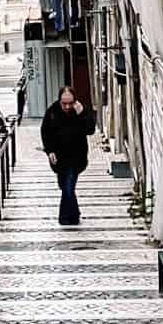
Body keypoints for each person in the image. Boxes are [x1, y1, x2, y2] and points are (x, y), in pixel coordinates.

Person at [40, 85, 96, 226]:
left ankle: (64, 218)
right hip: (59, 158)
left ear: (74, 101)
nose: (67, 106)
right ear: (59, 100)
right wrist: (50, 151)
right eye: (64, 103)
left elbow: (90, 130)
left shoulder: (80, 110)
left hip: (76, 157)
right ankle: (74, 213)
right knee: (64, 185)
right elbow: (45, 133)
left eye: (70, 103)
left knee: (69, 185)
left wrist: (82, 114)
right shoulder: (52, 112)